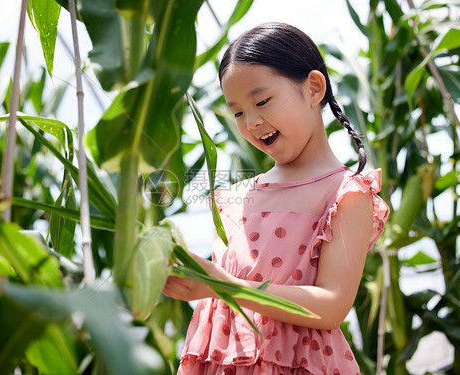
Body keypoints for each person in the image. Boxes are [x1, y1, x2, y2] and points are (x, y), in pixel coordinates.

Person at [163, 22, 390, 375]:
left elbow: (332, 306)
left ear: (314, 88)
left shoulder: (346, 195)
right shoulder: (233, 199)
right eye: (237, 112)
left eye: (263, 101)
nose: (251, 121)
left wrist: (222, 285)